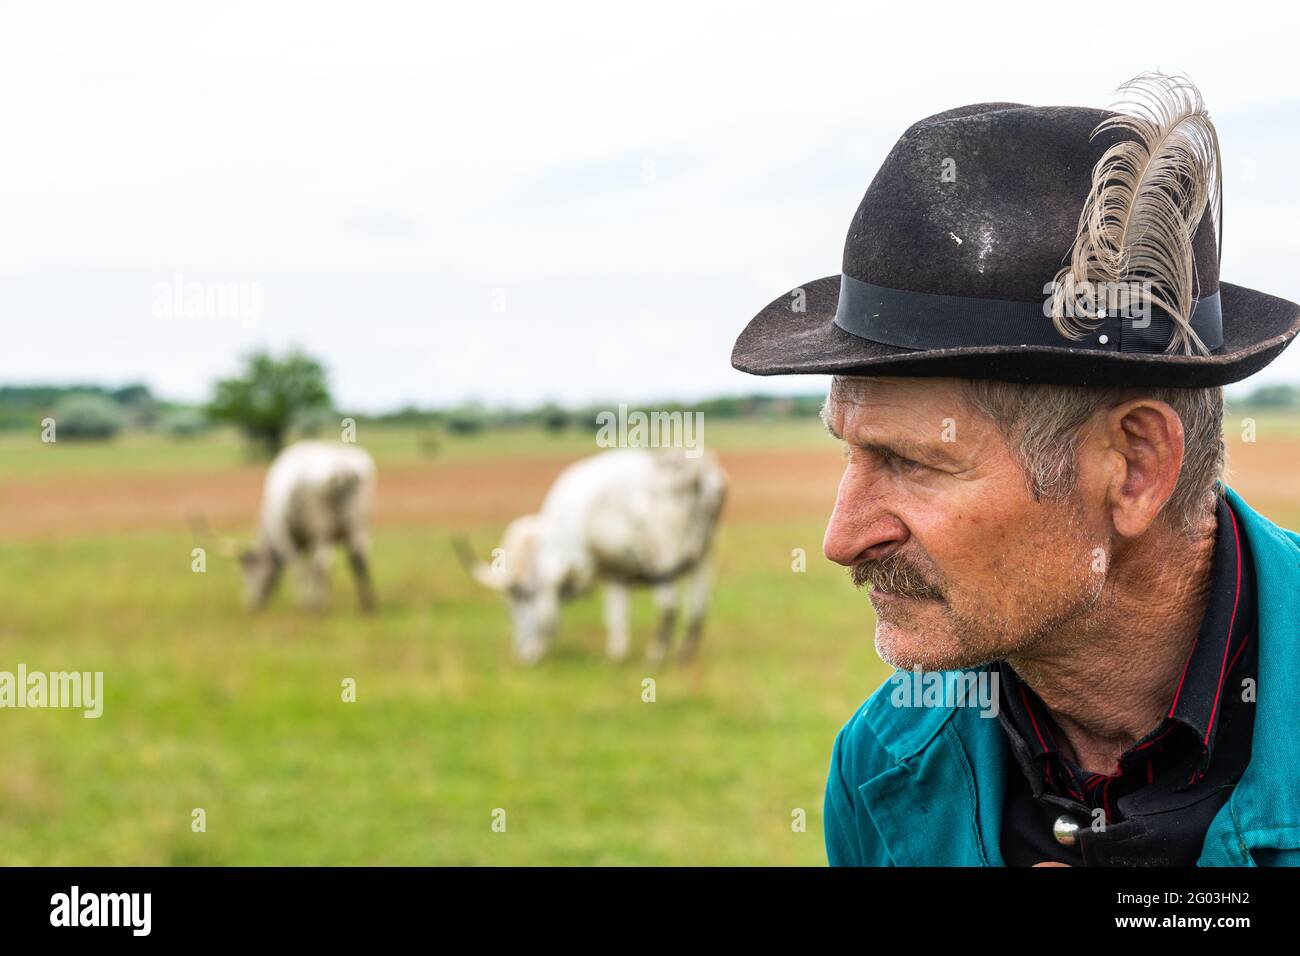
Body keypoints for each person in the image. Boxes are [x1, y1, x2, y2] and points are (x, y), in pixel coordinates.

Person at [729, 72, 1300, 866]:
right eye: (852, 451)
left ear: (1133, 467)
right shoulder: (885, 769)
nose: (842, 538)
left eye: (913, 462)